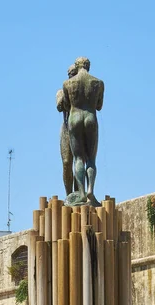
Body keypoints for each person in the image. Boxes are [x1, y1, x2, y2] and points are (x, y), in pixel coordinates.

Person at [62, 56, 104, 206]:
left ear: (77, 66)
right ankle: (90, 190)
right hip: (90, 118)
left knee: (78, 158)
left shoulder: (68, 83)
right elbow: (99, 105)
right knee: (91, 159)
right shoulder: (98, 83)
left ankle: (81, 193)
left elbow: (66, 105)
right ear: (88, 66)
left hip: (74, 119)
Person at [56, 64, 78, 197]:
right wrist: (67, 90)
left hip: (79, 130)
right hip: (66, 129)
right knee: (66, 162)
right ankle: (69, 194)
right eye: (71, 74)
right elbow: (59, 106)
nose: (73, 77)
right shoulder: (61, 91)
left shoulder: (81, 93)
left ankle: (79, 193)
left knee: (79, 162)